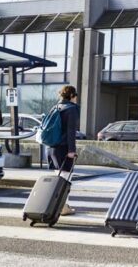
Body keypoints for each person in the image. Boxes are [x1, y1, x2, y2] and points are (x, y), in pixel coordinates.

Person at [47, 86, 80, 216]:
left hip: (51, 148)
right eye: (75, 94)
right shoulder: (71, 109)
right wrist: (71, 150)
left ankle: (58, 205)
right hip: (63, 149)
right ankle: (63, 207)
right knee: (65, 180)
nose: (76, 97)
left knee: (59, 179)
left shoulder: (55, 107)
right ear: (71, 95)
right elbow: (71, 131)